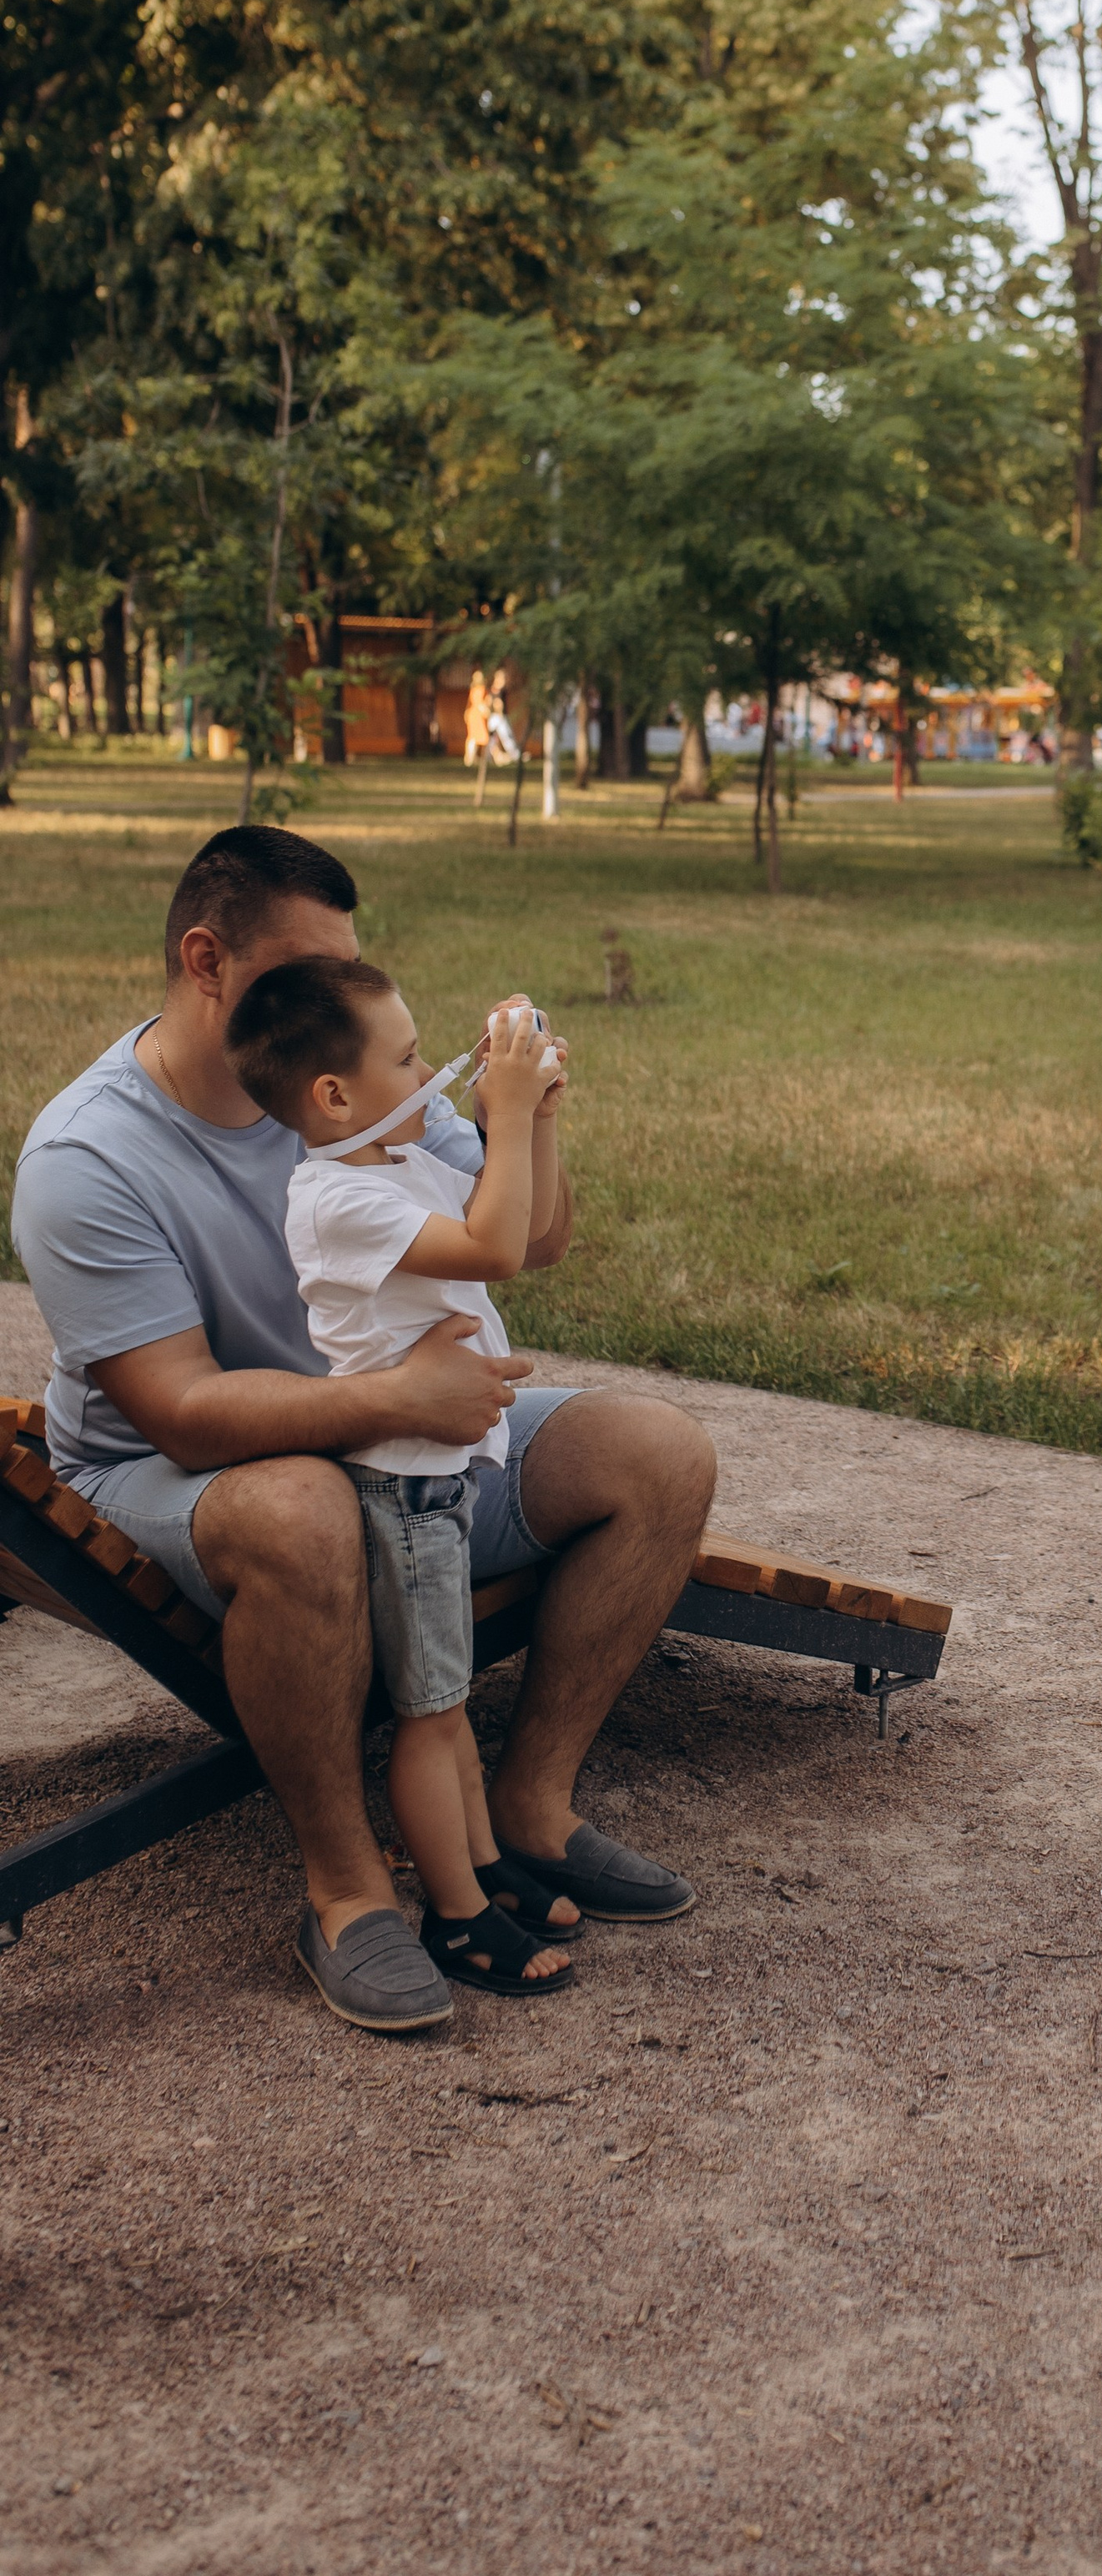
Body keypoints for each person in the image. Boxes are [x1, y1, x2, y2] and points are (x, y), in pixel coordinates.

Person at [11, 825, 715, 2035]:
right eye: (307, 969)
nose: (336, 996)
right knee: (300, 1507)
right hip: (170, 1468)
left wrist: (531, 1115)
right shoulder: (91, 1157)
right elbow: (176, 1406)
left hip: (396, 1442)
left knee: (659, 1455)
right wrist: (394, 1400)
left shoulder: (353, 1086)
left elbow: (529, 1242)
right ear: (206, 961)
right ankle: (344, 1889)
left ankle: (533, 1806)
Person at [228, 964, 575, 2006]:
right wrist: (501, 1118)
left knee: (450, 1701)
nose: (432, 1073)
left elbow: (532, 1225)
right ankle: (459, 1919)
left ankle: (484, 1870)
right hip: (400, 1493)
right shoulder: (337, 1197)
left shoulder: (396, 1158)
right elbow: (493, 1248)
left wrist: (536, 1120)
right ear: (333, 1095)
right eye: (410, 1057)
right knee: (428, 1716)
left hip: (441, 1483)